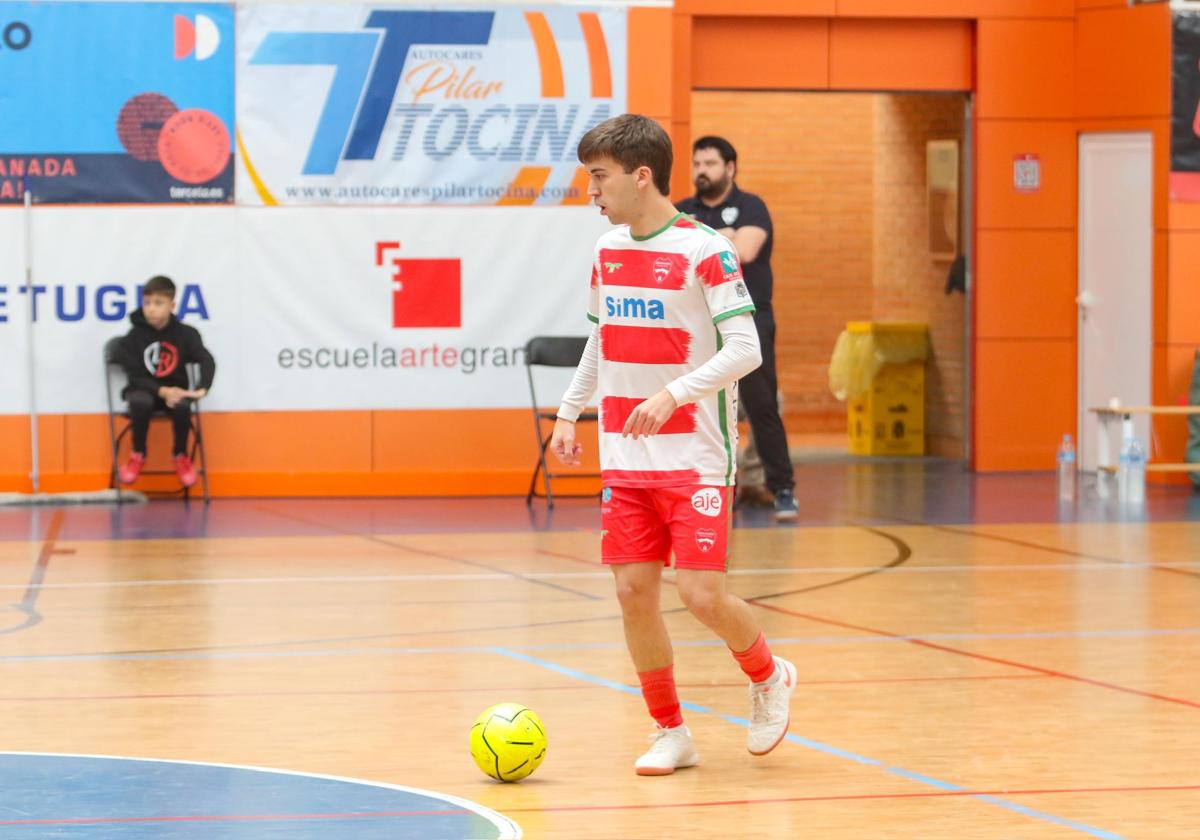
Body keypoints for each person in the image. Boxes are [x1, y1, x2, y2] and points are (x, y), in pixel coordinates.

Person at [551, 114, 796, 776]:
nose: (592, 191)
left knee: (701, 596)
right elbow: (602, 340)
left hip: (693, 457)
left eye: (598, 177)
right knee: (633, 591)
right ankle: (670, 731)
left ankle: (770, 676)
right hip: (626, 458)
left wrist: (674, 395)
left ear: (641, 176)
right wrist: (569, 414)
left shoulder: (705, 250)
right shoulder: (607, 249)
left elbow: (746, 350)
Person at [676, 137, 797, 521]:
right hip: (696, 322)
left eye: (710, 163)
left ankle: (783, 489)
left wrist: (707, 237)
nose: (701, 170)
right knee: (692, 404)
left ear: (730, 168)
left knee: (762, 406)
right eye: (697, 163)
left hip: (748, 319)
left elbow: (744, 251)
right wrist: (723, 237)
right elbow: (674, 255)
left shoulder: (751, 207)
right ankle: (697, 485)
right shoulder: (681, 210)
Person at [115, 275, 215, 487]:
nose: (151, 309)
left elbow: (206, 359)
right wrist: (161, 391)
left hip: (175, 392)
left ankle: (180, 455)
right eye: (147, 303)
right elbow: (135, 375)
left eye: (158, 303)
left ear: (172, 305)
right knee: (140, 402)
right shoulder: (134, 336)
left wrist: (202, 388)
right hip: (143, 390)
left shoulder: (186, 334)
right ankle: (138, 454)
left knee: (182, 405)